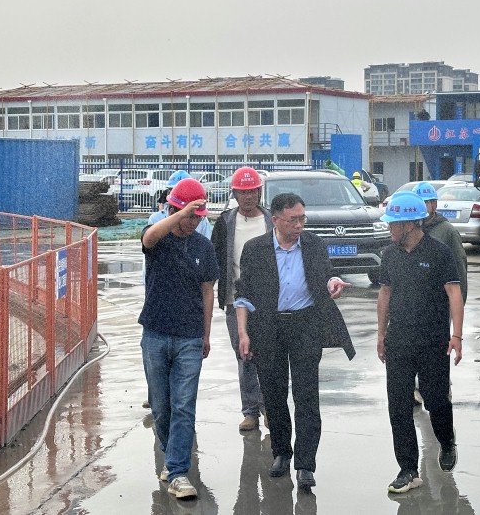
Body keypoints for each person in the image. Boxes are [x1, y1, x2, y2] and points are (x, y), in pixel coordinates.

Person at [235, 192, 355, 491]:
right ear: (275, 220)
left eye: (303, 219)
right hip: (268, 327)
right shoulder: (255, 249)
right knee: (274, 394)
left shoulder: (313, 244)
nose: (299, 225)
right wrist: (243, 333)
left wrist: (332, 283)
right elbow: (243, 294)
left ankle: (305, 464)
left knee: (306, 396)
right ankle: (281, 452)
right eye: (293, 220)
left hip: (305, 325)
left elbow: (326, 274)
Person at [377, 190, 463, 494]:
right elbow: (385, 293)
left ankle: (447, 441)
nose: (389, 228)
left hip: (433, 341)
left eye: (393, 224)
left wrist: (456, 335)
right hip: (399, 340)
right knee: (398, 406)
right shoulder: (389, 254)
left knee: (436, 400)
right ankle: (408, 470)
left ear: (409, 224)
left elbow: (454, 293)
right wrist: (381, 334)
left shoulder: (439, 253)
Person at [140, 178, 220, 500]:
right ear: (173, 211)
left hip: (189, 337)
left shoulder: (204, 248)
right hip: (156, 333)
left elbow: (207, 291)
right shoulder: (158, 240)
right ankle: (170, 454)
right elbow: (149, 237)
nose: (193, 223)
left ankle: (177, 471)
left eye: (198, 218)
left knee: (184, 405)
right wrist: (180, 213)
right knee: (161, 408)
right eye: (189, 217)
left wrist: (206, 333)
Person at [210, 166, 272, 432]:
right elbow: (214, 258)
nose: (248, 197)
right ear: (234, 194)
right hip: (236, 301)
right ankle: (250, 412)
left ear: (259, 192)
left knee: (269, 356)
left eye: (252, 192)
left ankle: (270, 407)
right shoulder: (225, 223)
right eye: (243, 192)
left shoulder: (271, 220)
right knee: (244, 356)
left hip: (270, 301)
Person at [411, 181, 469, 405]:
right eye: (419, 202)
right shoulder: (408, 230)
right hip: (413, 304)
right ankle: (414, 389)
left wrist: (458, 301)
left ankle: (442, 390)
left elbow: (459, 267)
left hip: (439, 305)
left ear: (434, 204)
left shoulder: (447, 232)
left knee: (437, 351)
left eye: (427, 202)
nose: (423, 207)